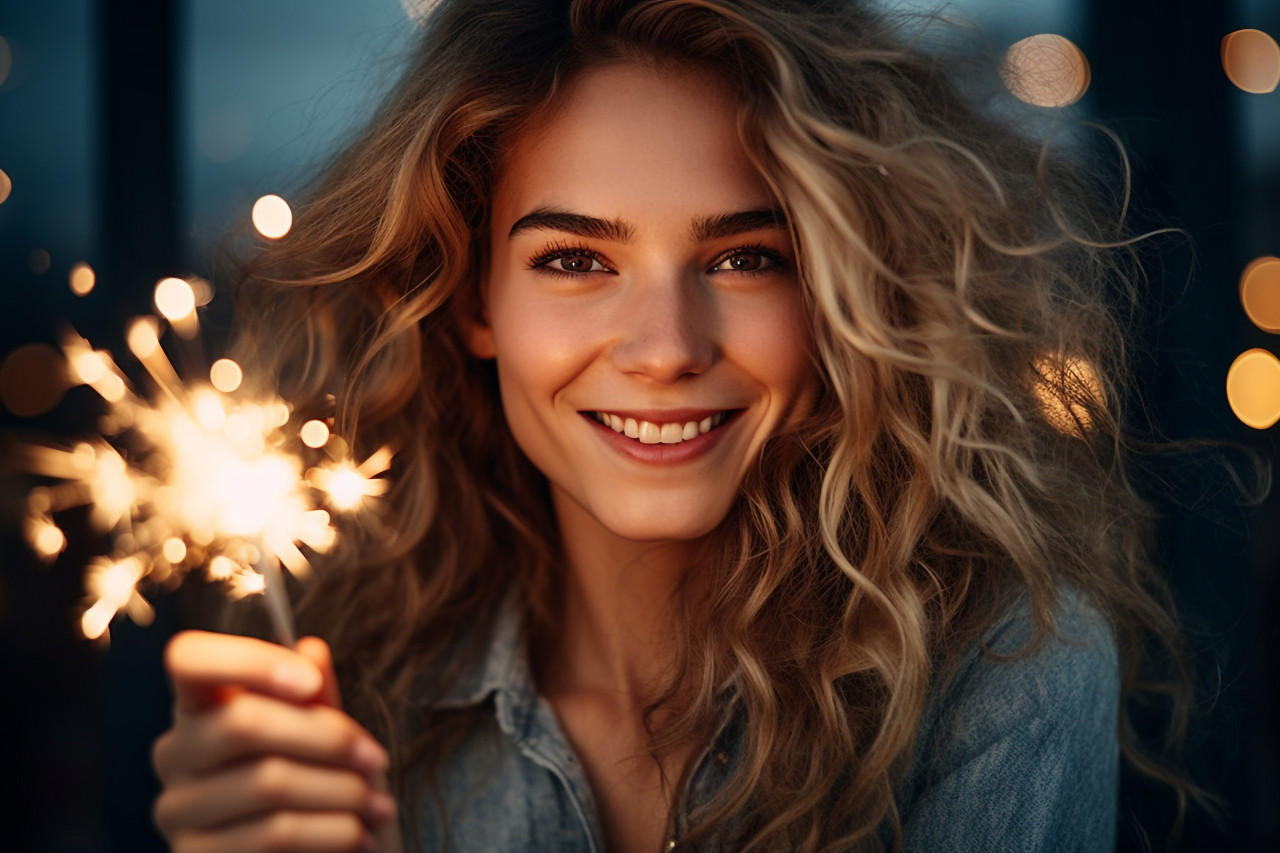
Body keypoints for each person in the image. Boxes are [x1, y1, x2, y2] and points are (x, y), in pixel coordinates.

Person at [151, 1, 1200, 850]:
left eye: (746, 257)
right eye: (574, 260)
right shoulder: (354, 694)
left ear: (841, 291)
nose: (663, 347)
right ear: (475, 302)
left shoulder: (1001, 670)